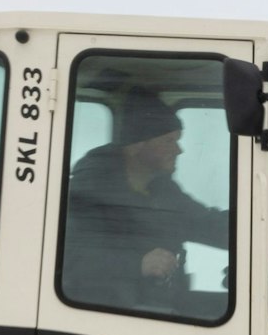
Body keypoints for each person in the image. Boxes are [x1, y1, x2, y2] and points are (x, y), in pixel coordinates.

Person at [63, 90, 229, 313]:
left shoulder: (162, 189)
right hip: (110, 312)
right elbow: (68, 259)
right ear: (137, 145)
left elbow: (204, 223)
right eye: (169, 141)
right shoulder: (88, 192)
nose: (179, 150)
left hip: (160, 302)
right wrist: (137, 264)